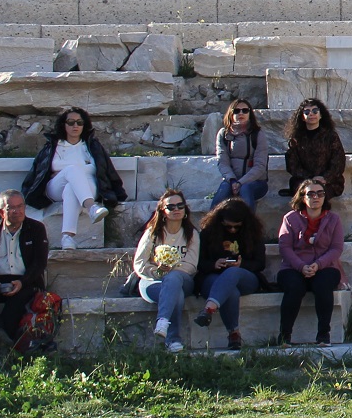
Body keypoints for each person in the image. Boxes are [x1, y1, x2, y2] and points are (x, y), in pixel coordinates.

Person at [23, 106, 124, 249]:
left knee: (71, 188)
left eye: (79, 122)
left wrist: (116, 192)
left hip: (89, 185)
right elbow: (39, 170)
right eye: (70, 122)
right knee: (72, 170)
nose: (75, 126)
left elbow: (104, 169)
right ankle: (91, 208)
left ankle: (67, 238)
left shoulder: (91, 146)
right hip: (56, 186)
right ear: (64, 125)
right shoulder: (54, 146)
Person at [0, 190, 49, 361]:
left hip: (25, 280)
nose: (17, 211)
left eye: (20, 206)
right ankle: (0, 337)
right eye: (11, 208)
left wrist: (22, 282)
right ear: (1, 212)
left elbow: (39, 263)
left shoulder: (36, 229)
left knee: (20, 297)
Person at [276, 178, 344, 347]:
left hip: (324, 267)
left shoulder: (334, 219)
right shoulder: (290, 219)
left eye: (320, 194)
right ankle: (285, 336)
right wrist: (301, 266)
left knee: (323, 285)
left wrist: (318, 265)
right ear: (302, 197)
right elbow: (285, 248)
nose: (316, 197)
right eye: (311, 194)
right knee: (294, 287)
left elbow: (336, 248)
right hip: (294, 267)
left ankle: (323, 335)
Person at [193, 197, 266, 351]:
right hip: (213, 277)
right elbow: (199, 263)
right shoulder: (208, 233)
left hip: (244, 277)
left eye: (237, 227)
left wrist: (242, 265)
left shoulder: (254, 234)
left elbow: (260, 264)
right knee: (230, 291)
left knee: (233, 272)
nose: (232, 230)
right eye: (228, 227)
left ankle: (208, 309)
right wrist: (215, 264)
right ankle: (234, 333)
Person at [133, 189, 198, 353]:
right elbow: (139, 263)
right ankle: (173, 341)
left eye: (180, 206)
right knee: (176, 293)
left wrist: (171, 270)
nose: (176, 209)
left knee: (174, 279)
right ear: (163, 211)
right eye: (171, 207)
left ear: (185, 210)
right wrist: (158, 272)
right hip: (152, 282)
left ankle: (163, 320)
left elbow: (191, 265)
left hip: (183, 280)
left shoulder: (192, 234)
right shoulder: (152, 233)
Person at [211, 98, 269, 209]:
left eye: (244, 110)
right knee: (221, 195)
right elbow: (222, 162)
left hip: (256, 182)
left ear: (249, 113)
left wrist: (241, 183)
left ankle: (249, 225)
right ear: (231, 114)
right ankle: (210, 225)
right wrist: (233, 180)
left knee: (245, 190)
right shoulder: (223, 134)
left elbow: (260, 165)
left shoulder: (258, 134)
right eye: (236, 111)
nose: (241, 113)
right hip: (231, 181)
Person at [284, 98, 346, 199]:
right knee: (307, 193)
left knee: (318, 194)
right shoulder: (296, 139)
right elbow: (292, 165)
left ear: (321, 115)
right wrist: (311, 179)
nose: (311, 114)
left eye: (315, 111)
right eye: (307, 112)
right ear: (302, 117)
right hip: (304, 181)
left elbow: (338, 162)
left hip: (329, 182)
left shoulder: (331, 136)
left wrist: (325, 178)